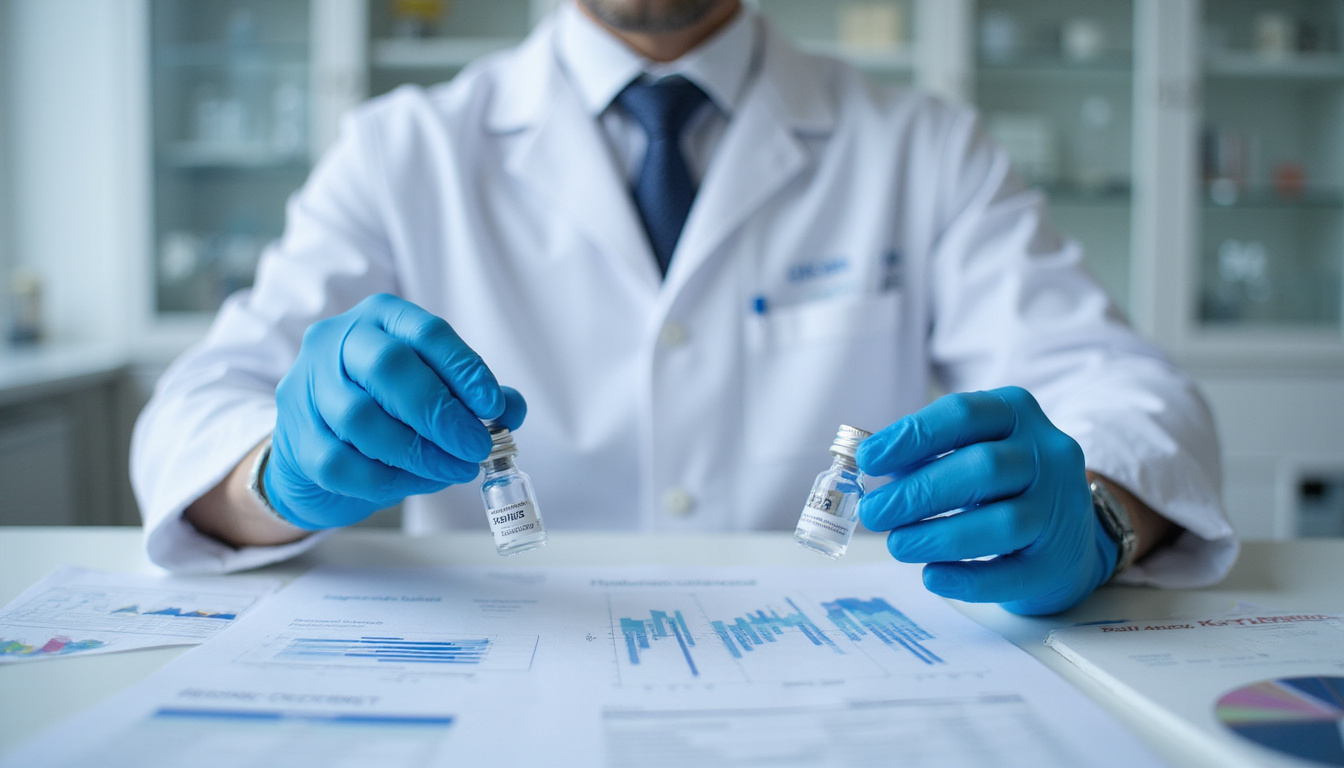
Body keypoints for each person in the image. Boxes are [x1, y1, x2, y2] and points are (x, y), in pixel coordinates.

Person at [131, 0, 1237, 614]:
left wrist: (1095, 510)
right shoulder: (403, 149)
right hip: (509, 698)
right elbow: (194, 409)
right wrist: (277, 473)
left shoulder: (921, 147)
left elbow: (1127, 388)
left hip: (840, 696)